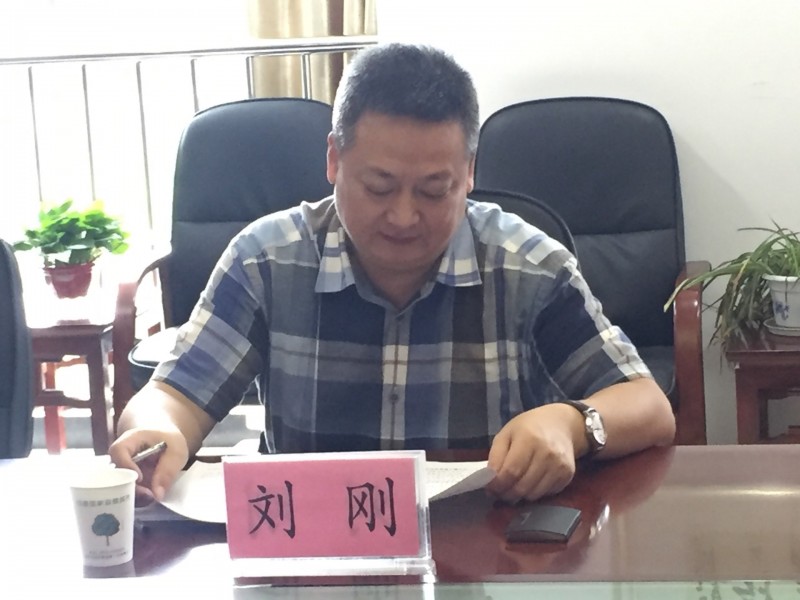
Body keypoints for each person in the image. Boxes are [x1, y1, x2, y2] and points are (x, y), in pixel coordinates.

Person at [110, 43, 675, 505]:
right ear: (333, 160)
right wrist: (157, 431)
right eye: (379, 187)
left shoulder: (527, 266)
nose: (404, 217)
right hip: (313, 554)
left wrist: (572, 423)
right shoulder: (266, 260)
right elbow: (173, 397)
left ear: (469, 173)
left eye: (434, 190)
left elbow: (647, 405)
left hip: (482, 550)